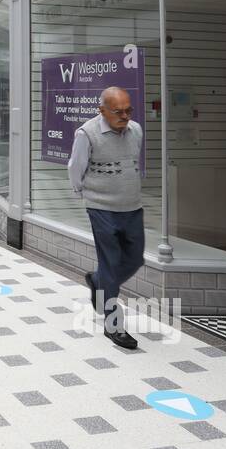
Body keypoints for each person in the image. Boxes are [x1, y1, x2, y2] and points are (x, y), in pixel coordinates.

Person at [68, 86, 143, 350]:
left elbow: (133, 162)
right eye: (117, 111)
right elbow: (76, 167)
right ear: (101, 111)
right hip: (101, 208)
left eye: (128, 110)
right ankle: (114, 325)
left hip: (132, 206)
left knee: (135, 258)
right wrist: (83, 193)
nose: (125, 116)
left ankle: (98, 281)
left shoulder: (136, 130)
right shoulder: (87, 133)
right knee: (111, 262)